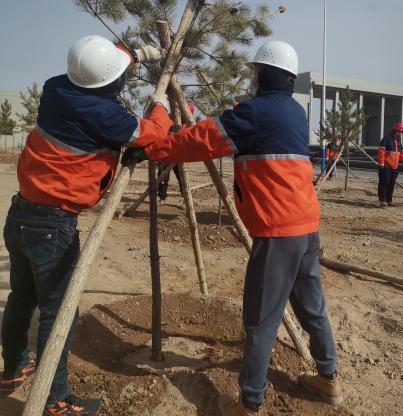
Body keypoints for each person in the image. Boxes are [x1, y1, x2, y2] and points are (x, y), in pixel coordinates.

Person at [132, 41, 341, 416]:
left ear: (267, 75)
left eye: (255, 72)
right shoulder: (294, 112)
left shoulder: (255, 113)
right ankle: (329, 379)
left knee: (261, 321)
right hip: (306, 228)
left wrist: (154, 148)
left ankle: (249, 402)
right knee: (313, 309)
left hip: (277, 233)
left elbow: (202, 141)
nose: (252, 78)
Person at [0, 35, 173, 416]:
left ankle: (12, 369)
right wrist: (161, 106)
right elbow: (151, 134)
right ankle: (55, 398)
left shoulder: (56, 87)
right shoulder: (106, 116)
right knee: (58, 312)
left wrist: (137, 54)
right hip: (53, 225)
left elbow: (99, 68)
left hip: (20, 214)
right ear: (108, 83)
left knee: (22, 298)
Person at [157, 101, 204, 200]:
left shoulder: (188, 124)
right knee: (163, 176)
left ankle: (186, 198)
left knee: (182, 177)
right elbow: (162, 133)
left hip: (179, 154)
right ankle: (161, 197)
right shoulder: (169, 119)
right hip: (166, 152)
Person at [377, 122, 403, 206]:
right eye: (400, 132)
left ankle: (389, 200)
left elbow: (402, 154)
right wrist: (381, 162)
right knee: (385, 182)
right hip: (386, 166)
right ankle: (382, 200)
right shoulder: (386, 139)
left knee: (392, 183)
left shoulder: (398, 142)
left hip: (394, 167)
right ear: (396, 131)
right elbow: (381, 150)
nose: (401, 134)